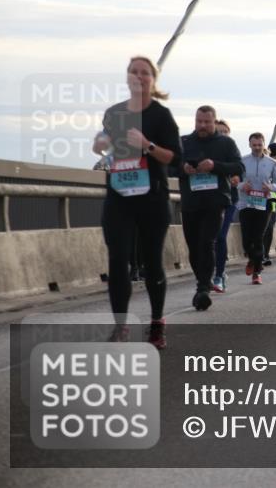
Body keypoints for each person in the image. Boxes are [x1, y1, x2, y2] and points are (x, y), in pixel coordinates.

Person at [93, 56, 181, 349]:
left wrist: (148, 145)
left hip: (151, 198)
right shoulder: (113, 112)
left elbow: (174, 158)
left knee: (152, 262)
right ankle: (121, 326)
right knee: (118, 261)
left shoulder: (161, 116)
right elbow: (103, 141)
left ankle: (157, 323)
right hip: (119, 196)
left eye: (145, 73)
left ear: (153, 80)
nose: (138, 76)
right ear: (127, 77)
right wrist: (100, 142)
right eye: (133, 71)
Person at [176, 105, 243, 311]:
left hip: (215, 202)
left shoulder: (225, 143)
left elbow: (239, 168)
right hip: (190, 202)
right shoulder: (184, 142)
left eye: (207, 122)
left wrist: (215, 166)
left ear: (214, 122)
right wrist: (183, 169)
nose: (202, 126)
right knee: (194, 246)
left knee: (207, 242)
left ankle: (203, 288)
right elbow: (168, 166)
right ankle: (201, 283)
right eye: (199, 122)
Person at [238, 133, 276, 284]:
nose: (257, 148)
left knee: (258, 237)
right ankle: (252, 259)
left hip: (264, 204)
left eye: (260, 145)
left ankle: (257, 271)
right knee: (246, 239)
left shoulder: (272, 163)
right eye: (254, 145)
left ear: (264, 145)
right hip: (246, 203)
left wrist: (270, 187)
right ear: (250, 145)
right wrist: (241, 186)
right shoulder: (243, 161)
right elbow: (234, 180)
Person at [212, 119, 240, 292]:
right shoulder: (206, 151)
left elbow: (240, 169)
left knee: (220, 236)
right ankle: (209, 272)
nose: (222, 135)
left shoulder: (232, 151)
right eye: (219, 131)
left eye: (225, 132)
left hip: (228, 200)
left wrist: (237, 178)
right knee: (207, 239)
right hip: (207, 200)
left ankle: (219, 274)